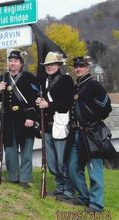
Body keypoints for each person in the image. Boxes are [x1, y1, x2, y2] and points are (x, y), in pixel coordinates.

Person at [64, 56, 112, 212]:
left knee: (94, 169)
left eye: (81, 66)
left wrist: (93, 121)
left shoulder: (94, 85)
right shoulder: (77, 86)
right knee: (72, 168)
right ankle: (84, 197)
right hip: (76, 132)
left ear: (87, 68)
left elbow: (106, 106)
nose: (78, 69)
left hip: (91, 134)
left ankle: (96, 205)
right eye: (76, 66)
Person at [0, 50, 38, 188]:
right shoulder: (2, 78)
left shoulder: (29, 77)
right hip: (8, 120)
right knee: (10, 150)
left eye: (15, 61)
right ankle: (13, 177)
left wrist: (31, 116)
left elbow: (34, 98)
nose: (12, 63)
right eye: (11, 61)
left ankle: (25, 179)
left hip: (25, 118)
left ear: (21, 63)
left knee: (26, 151)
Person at [36, 52, 75, 197]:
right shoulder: (43, 81)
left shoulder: (65, 80)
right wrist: (39, 102)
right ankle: (60, 187)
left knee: (62, 161)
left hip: (60, 125)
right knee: (51, 162)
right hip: (47, 126)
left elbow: (67, 103)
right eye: (47, 65)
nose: (49, 67)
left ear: (58, 65)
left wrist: (48, 104)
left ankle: (69, 191)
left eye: (52, 64)